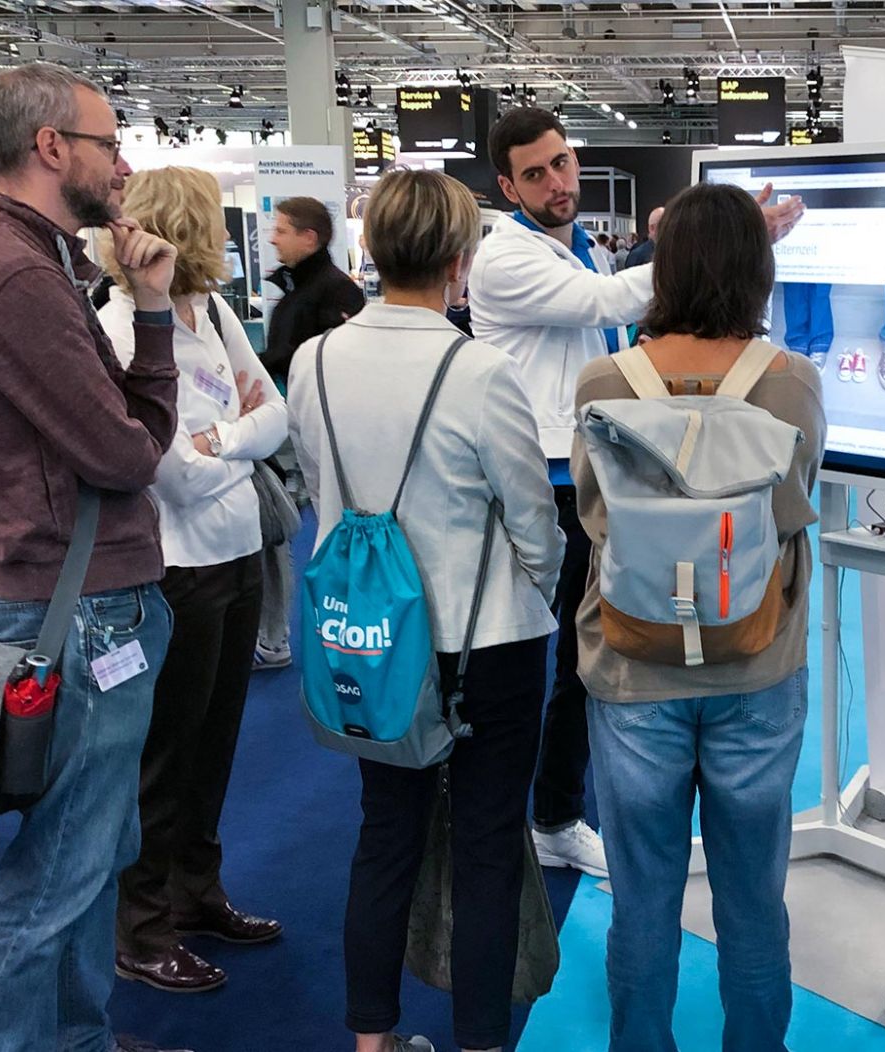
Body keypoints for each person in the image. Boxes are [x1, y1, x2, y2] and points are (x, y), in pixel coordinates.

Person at [467, 106, 804, 880]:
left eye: (561, 162)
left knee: (578, 654)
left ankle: (551, 813)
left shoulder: (576, 244)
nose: (557, 182)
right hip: (541, 486)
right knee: (545, 661)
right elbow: (607, 303)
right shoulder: (505, 259)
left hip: (582, 478)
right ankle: (538, 821)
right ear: (508, 187)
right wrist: (721, 246)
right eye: (535, 173)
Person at [0, 61, 190, 1052]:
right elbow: (127, 453)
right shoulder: (14, 276)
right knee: (56, 875)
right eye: (108, 144)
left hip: (75, 602)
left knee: (90, 854)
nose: (122, 167)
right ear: (51, 147)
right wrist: (154, 315)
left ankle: (76, 1038)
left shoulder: (32, 265)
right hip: (74, 612)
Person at [287, 168, 563, 1052]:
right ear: (458, 260)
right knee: (486, 844)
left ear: (370, 249)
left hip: (369, 639)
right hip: (487, 645)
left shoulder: (311, 359)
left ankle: (371, 1040)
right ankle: (479, 1041)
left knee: (386, 832)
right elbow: (533, 517)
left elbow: (320, 491)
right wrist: (542, 587)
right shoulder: (479, 370)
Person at [571, 182, 825, 1052]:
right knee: (753, 898)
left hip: (632, 667)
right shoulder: (790, 383)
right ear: (760, 268)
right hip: (757, 662)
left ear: (663, 267)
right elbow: (792, 509)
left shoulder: (607, 381)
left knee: (642, 899)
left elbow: (595, 519)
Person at [97, 166, 289, 995]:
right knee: (166, 756)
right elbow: (170, 473)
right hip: (175, 568)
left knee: (215, 744)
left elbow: (276, 413)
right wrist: (234, 442)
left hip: (238, 554)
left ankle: (195, 893)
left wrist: (224, 441)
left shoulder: (209, 310)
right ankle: (142, 929)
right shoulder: (118, 328)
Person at [254, 196, 365, 673]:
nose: (273, 238)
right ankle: (281, 636)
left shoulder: (336, 293)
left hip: (319, 431)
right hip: (286, 423)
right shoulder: (298, 290)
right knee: (290, 529)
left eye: (282, 230)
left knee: (326, 529)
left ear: (310, 238)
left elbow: (328, 365)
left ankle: (345, 634)